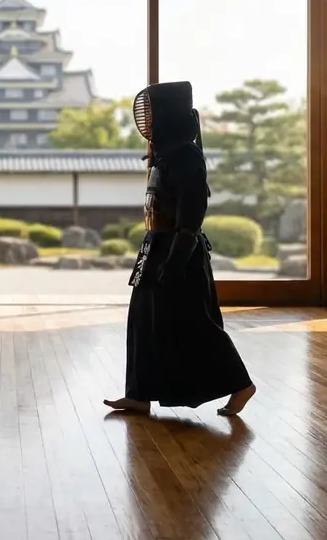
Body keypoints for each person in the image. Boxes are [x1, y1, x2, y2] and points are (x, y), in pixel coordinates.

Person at [103, 81, 256, 416]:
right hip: (155, 246)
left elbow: (191, 216)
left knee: (195, 324)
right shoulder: (165, 155)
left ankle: (241, 385)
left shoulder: (187, 157)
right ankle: (139, 394)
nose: (149, 121)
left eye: (155, 112)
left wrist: (174, 261)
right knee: (143, 321)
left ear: (169, 115)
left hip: (180, 252)